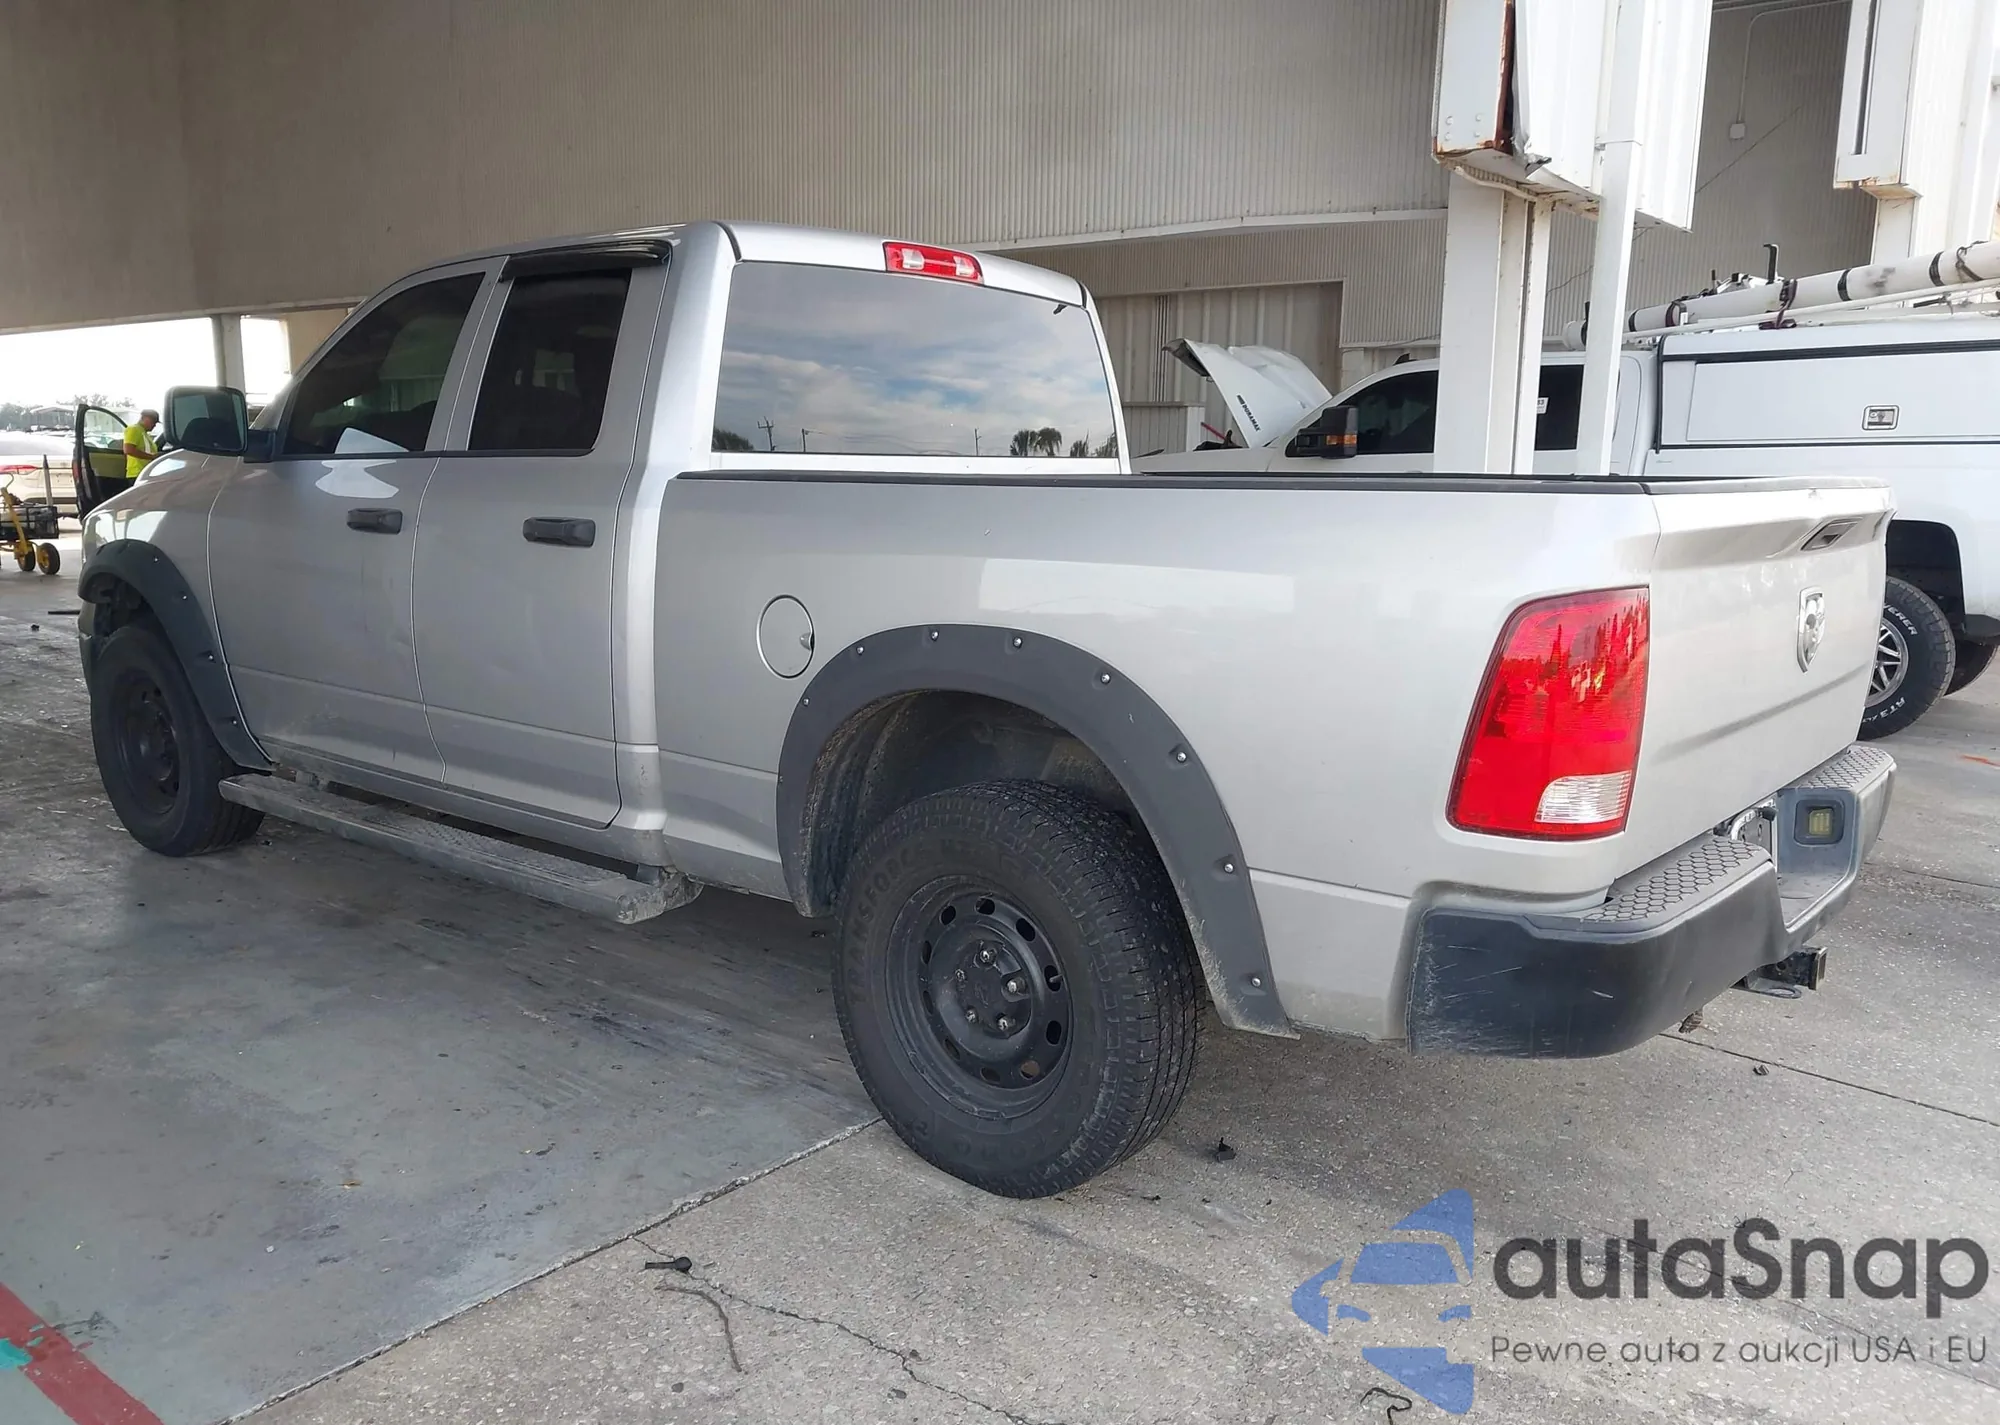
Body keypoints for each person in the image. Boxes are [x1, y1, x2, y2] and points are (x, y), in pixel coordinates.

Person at [122, 409, 159, 478]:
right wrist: (152, 456)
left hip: (145, 472)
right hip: (137, 473)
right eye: (153, 421)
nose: (154, 425)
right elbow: (128, 450)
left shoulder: (144, 433)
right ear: (143, 418)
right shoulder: (134, 429)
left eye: (156, 422)